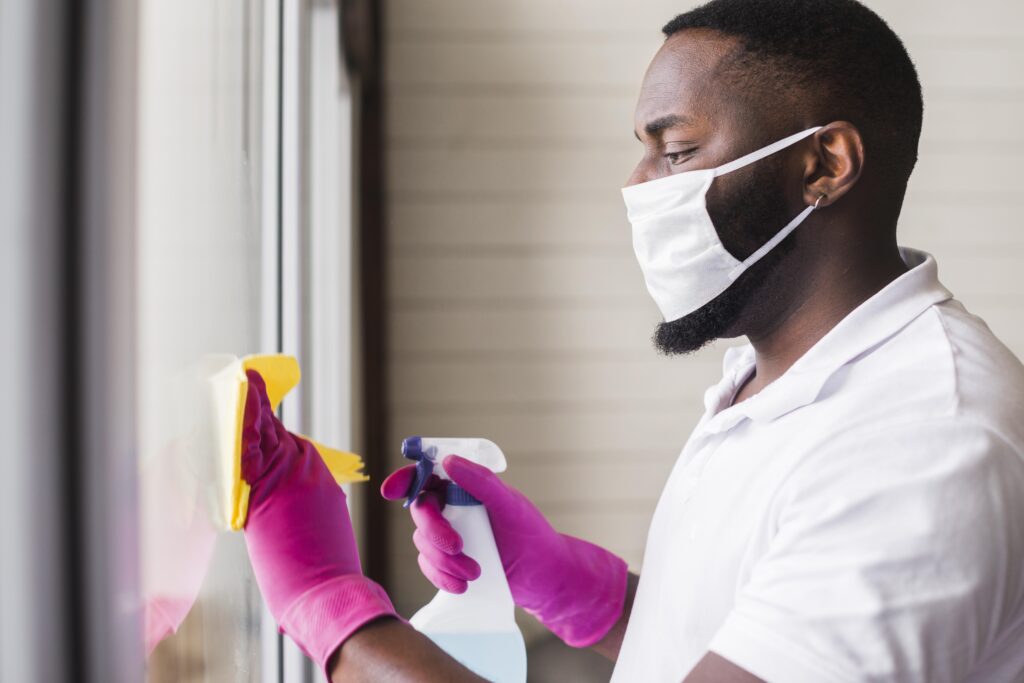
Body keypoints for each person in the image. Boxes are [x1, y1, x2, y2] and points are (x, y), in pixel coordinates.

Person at [240, 0, 1024, 681]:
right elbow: (756, 633)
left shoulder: (924, 443)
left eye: (676, 150)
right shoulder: (783, 378)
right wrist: (586, 592)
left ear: (825, 163)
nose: (637, 184)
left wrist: (332, 609)